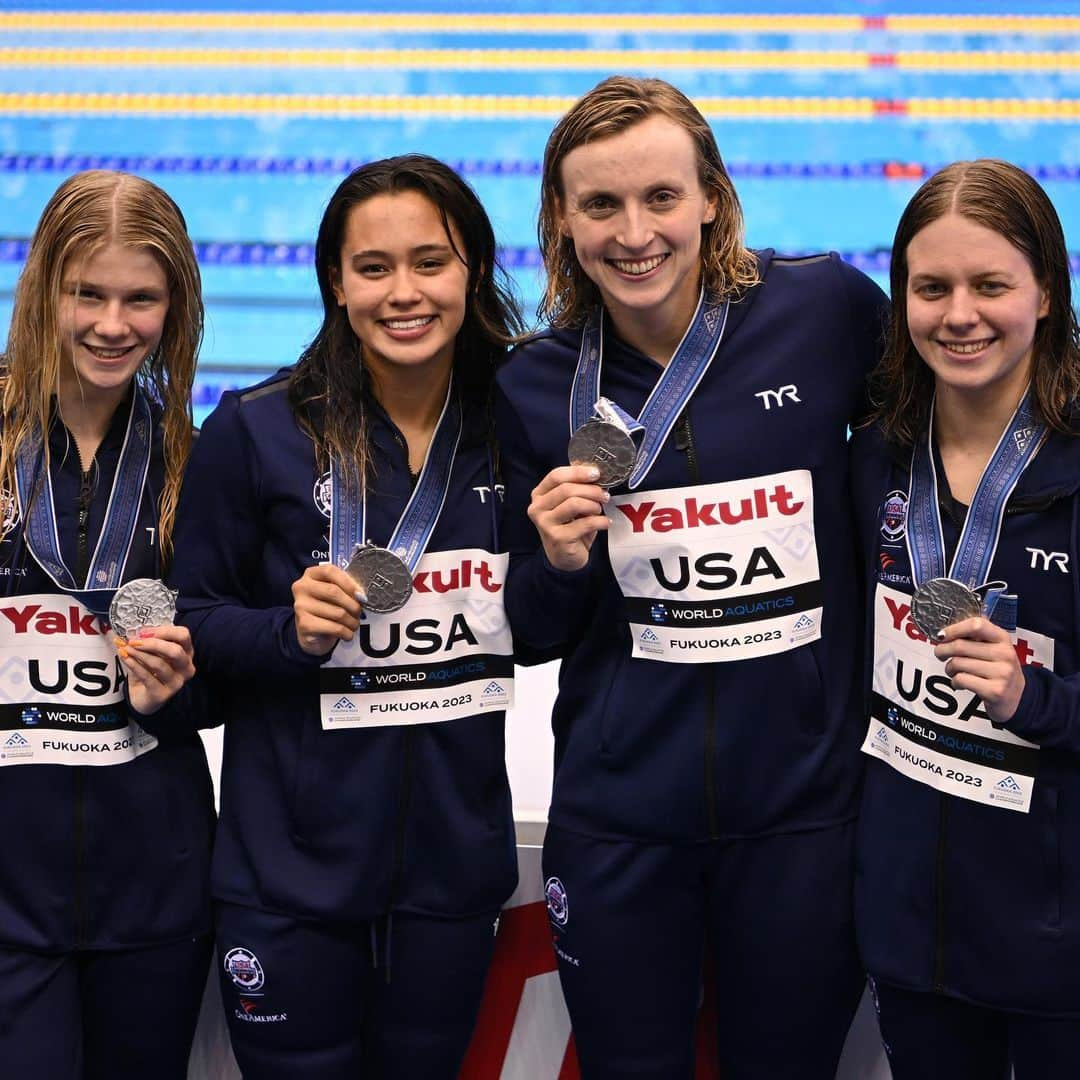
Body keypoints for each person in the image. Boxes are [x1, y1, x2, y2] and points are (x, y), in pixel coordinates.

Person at [496, 75, 889, 1078]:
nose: (635, 233)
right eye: (601, 205)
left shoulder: (825, 310)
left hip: (804, 813)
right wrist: (555, 558)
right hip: (622, 822)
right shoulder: (534, 385)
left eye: (661, 197)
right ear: (560, 219)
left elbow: (944, 449)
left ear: (710, 196)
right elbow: (533, 631)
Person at [171, 154, 525, 1079]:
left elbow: (551, 621)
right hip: (287, 878)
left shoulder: (511, 425)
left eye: (430, 262)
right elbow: (191, 618)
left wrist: (565, 564)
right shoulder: (254, 429)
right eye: (374, 268)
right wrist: (284, 632)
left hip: (451, 870)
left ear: (473, 272)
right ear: (336, 281)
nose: (402, 293)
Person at [853, 159, 1080, 1078]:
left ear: (1047, 292)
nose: (959, 315)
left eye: (992, 286)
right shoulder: (873, 457)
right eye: (931, 287)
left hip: (1058, 936)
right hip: (911, 929)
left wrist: (1038, 699)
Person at [0, 170, 213, 1078]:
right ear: (46, 287)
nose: (111, 324)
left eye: (141, 299)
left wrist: (180, 690)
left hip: (152, 885)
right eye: (87, 293)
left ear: (178, 308)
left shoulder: (195, 463)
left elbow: (223, 675)